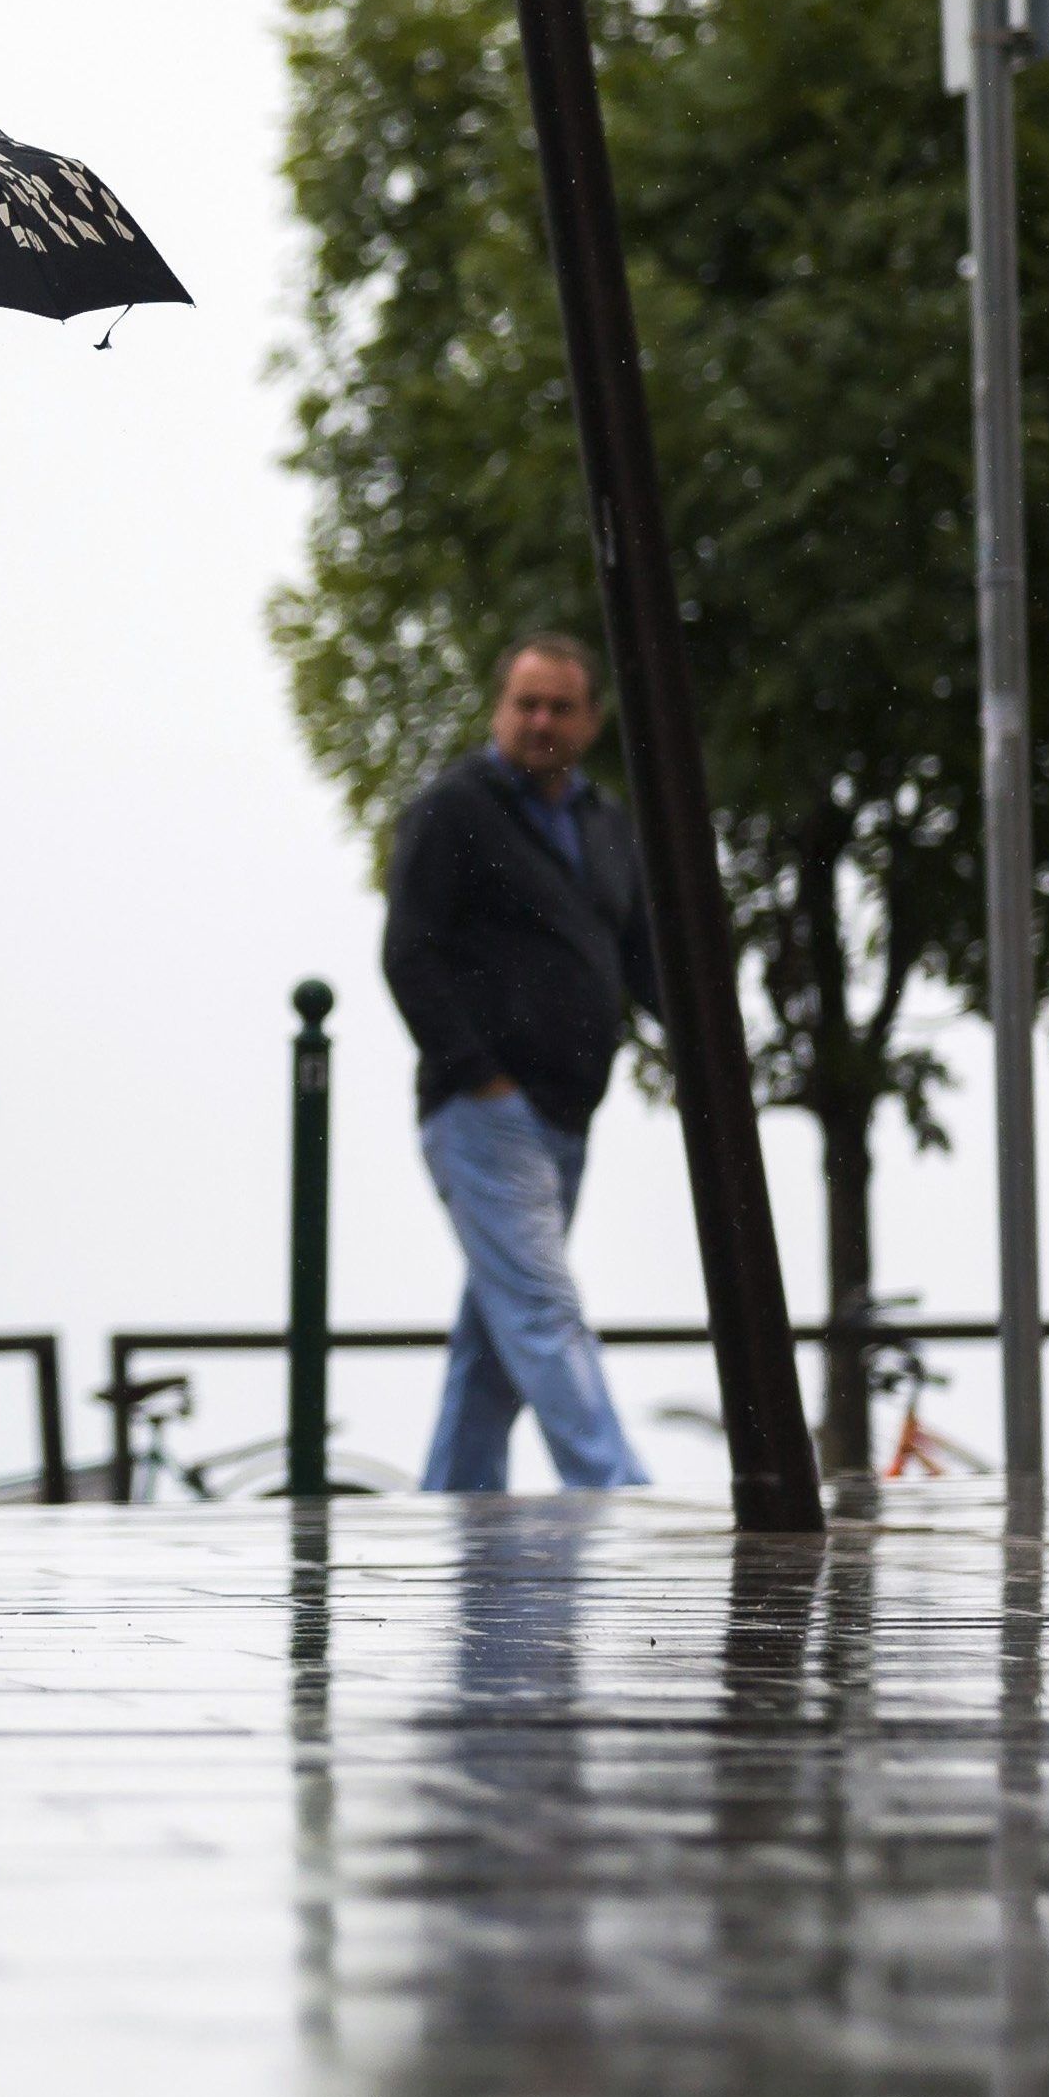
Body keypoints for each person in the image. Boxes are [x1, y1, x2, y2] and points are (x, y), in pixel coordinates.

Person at [382, 633, 658, 1495]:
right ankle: (619, 1491)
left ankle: (454, 1499)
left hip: (570, 1111)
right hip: (487, 1112)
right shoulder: (453, 810)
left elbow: (641, 953)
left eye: (559, 706)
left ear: (590, 718)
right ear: (499, 709)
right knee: (542, 1311)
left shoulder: (604, 823)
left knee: (497, 1338)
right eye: (525, 703)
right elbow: (408, 954)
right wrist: (479, 1075)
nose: (540, 720)